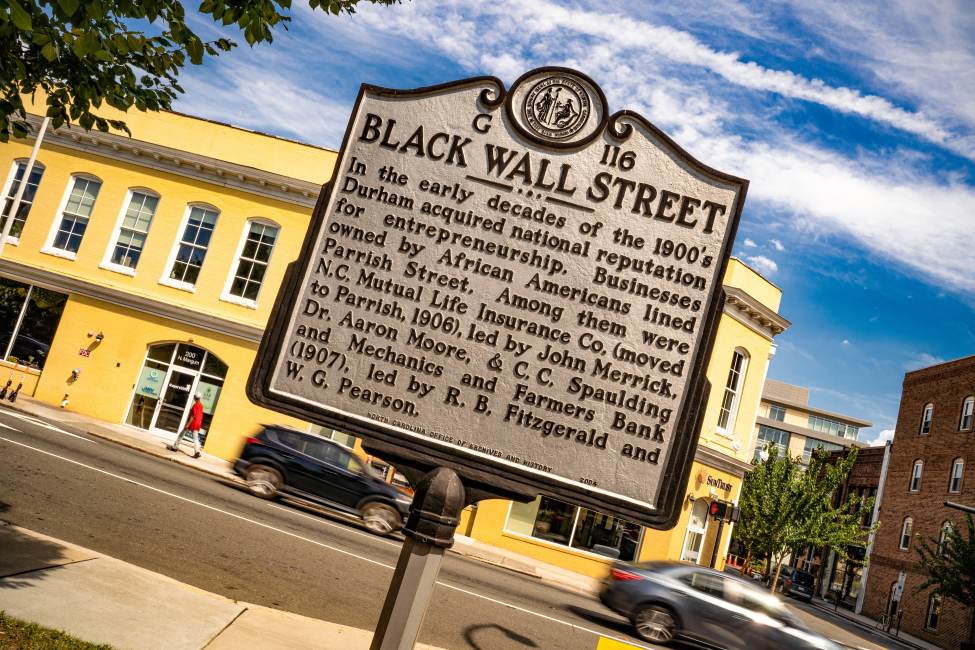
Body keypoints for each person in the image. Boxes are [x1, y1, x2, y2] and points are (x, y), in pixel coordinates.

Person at [168, 393, 204, 458]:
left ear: (195, 397)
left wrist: (187, 424)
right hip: (198, 423)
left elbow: (193, 416)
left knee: (181, 434)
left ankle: (175, 447)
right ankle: (197, 452)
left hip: (193, 423)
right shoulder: (201, 405)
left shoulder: (195, 405)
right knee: (195, 438)